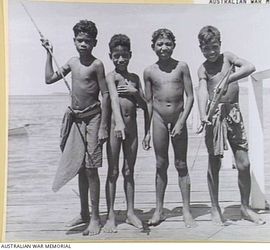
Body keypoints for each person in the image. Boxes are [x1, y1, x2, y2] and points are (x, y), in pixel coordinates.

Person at [41, 20, 125, 236]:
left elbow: (105, 94)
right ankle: (84, 212)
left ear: (94, 43)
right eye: (80, 40)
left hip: (93, 119)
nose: (83, 44)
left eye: (87, 41)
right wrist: (49, 53)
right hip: (76, 120)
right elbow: (49, 79)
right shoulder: (72, 62)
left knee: (91, 168)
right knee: (79, 166)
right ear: (74, 41)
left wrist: (104, 125)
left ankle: (96, 217)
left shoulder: (97, 65)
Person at [197, 25, 265, 225]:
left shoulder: (227, 57)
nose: (211, 52)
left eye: (214, 47)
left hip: (234, 114)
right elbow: (202, 90)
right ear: (200, 48)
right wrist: (202, 115)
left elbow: (250, 67)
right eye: (206, 48)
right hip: (214, 116)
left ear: (220, 44)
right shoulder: (202, 68)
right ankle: (215, 208)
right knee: (214, 162)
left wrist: (229, 79)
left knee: (244, 163)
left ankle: (245, 207)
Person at [143, 28, 196, 228]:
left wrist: (182, 121)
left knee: (181, 164)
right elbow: (148, 102)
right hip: (158, 120)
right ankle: (159, 209)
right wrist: (147, 131)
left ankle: (186, 210)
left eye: (167, 44)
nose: (164, 48)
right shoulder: (149, 71)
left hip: (178, 119)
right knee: (160, 164)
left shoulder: (182, 67)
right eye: (159, 44)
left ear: (173, 46)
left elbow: (190, 96)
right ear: (153, 47)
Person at [103, 34, 148, 233]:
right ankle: (111, 215)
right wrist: (118, 124)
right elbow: (113, 98)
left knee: (129, 171)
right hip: (115, 129)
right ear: (110, 56)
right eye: (116, 56)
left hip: (132, 130)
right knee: (113, 171)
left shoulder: (135, 78)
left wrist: (134, 91)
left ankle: (130, 212)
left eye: (124, 55)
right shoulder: (110, 77)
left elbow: (145, 105)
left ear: (130, 55)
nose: (120, 59)